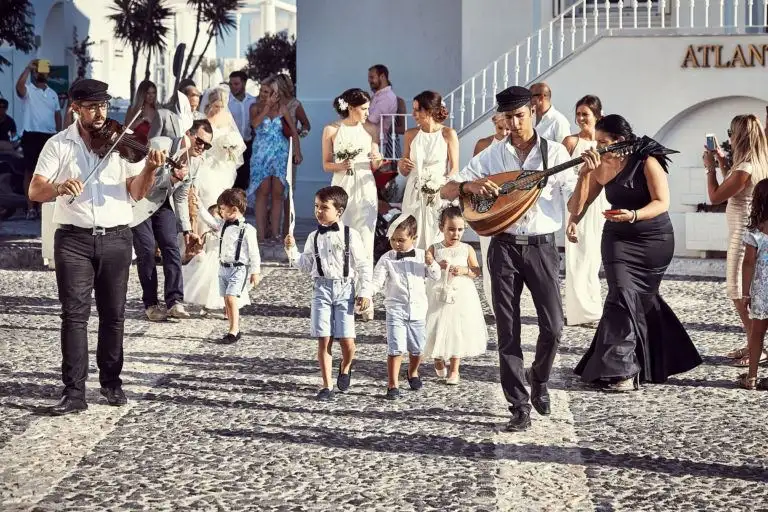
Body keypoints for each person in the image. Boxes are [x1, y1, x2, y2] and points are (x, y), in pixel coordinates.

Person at [27, 79, 166, 415]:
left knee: (114, 315)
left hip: (117, 237)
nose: (100, 112)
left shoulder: (122, 140)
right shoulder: (58, 145)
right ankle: (74, 392)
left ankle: (111, 382)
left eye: (103, 105)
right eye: (91, 107)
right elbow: (35, 190)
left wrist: (149, 169)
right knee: (74, 316)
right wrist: (59, 187)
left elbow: (137, 192)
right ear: (76, 108)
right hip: (73, 241)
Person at [440, 86, 574, 432]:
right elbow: (447, 189)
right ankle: (518, 405)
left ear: (533, 113)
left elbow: (575, 202)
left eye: (520, 116)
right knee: (507, 328)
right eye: (508, 117)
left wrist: (590, 177)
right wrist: (470, 186)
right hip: (504, 247)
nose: (514, 124)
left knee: (554, 326)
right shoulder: (492, 155)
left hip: (542, 247)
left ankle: (539, 377)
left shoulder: (555, 153)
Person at [569, 114, 702, 391]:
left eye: (603, 142)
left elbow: (662, 202)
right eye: (596, 142)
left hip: (653, 240)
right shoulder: (600, 165)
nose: (598, 147)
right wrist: (583, 178)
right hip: (618, 238)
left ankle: (654, 360)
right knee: (621, 294)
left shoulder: (646, 160)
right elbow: (577, 205)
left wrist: (633, 215)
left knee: (641, 299)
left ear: (619, 140)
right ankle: (622, 371)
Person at [284, 186, 373, 400]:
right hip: (321, 290)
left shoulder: (351, 235)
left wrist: (365, 291)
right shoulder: (313, 236)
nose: (318, 211)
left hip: (345, 289)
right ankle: (327, 385)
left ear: (339, 211)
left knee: (347, 342)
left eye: (324, 207)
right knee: (324, 339)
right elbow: (306, 265)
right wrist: (292, 250)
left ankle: (345, 366)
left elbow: (363, 266)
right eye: (316, 206)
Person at [130, 119, 214, 322]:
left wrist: (186, 230)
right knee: (146, 251)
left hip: (162, 203)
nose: (202, 148)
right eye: (200, 141)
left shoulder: (195, 162)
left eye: (207, 145)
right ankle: (151, 304)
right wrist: (171, 179)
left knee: (171, 246)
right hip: (139, 203)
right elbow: (140, 181)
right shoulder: (160, 145)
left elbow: (181, 197)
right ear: (188, 134)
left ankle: (175, 301)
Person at [703, 114, 768, 367]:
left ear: (739, 136)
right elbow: (734, 187)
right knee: (744, 293)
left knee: (738, 292)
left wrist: (710, 168)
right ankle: (753, 342)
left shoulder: (745, 168)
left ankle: (758, 348)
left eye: (731, 132)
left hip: (742, 236)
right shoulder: (757, 163)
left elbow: (716, 196)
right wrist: (722, 162)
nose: (729, 137)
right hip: (748, 233)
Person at [372, 215, 441, 399]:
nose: (396, 244)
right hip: (395, 310)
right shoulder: (387, 258)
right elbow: (376, 281)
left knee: (418, 349)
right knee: (395, 348)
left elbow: (436, 276)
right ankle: (392, 384)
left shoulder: (421, 256)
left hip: (418, 310)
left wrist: (431, 263)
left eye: (401, 240)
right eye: (393, 239)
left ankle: (412, 371)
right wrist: (366, 294)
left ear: (413, 238)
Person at [425, 207, 487, 385]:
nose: (456, 234)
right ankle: (437, 358)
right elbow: (426, 268)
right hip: (438, 294)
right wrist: (437, 265)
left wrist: (464, 270)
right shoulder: (434, 248)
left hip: (461, 295)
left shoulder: (467, 249)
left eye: (460, 229)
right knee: (435, 326)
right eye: (451, 229)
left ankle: (454, 370)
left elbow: (476, 271)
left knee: (457, 330)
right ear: (441, 228)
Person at [322, 88, 383, 260]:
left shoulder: (371, 129)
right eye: (364, 109)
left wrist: (378, 158)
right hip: (342, 184)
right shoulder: (331, 130)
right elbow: (326, 164)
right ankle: (340, 270)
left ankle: (364, 274)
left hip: (365, 183)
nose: (368, 113)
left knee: (365, 231)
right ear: (350, 108)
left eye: (368, 108)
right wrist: (340, 165)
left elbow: (375, 164)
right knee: (341, 229)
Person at [563, 95, 607, 327]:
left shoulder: (604, 143)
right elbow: (561, 176)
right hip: (577, 203)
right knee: (577, 258)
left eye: (585, 114)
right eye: (578, 114)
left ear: (597, 116)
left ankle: (593, 307)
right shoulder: (571, 142)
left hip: (601, 203)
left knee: (594, 257)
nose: (580, 118)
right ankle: (582, 312)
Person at [197, 188, 261, 344]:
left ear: (234, 209)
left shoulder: (248, 230)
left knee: (232, 298)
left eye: (223, 209)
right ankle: (233, 328)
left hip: (238, 269)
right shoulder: (222, 225)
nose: (220, 212)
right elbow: (209, 220)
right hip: (223, 268)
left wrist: (255, 272)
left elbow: (254, 252)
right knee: (226, 299)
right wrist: (198, 205)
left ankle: (234, 330)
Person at [398, 90, 459, 250]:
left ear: (430, 110)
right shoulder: (410, 135)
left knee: (435, 232)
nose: (413, 114)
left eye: (417, 110)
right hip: (414, 192)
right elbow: (404, 169)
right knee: (412, 231)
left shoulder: (448, 134)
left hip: (438, 192)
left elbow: (454, 168)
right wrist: (402, 165)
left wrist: (440, 186)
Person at [247, 76, 302, 245]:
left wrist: (297, 152)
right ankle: (261, 234)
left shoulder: (283, 108)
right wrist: (266, 108)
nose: (263, 94)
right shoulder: (255, 107)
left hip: (280, 154)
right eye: (262, 91)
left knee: (278, 193)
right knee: (262, 191)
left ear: (275, 94)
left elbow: (294, 131)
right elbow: (255, 124)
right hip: (261, 155)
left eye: (267, 92)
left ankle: (276, 233)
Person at [473, 114, 511, 318]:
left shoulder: (517, 147)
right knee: (490, 256)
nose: (504, 133)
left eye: (508, 129)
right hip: (488, 206)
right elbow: (474, 176)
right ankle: (495, 305)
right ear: (494, 125)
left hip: (511, 206)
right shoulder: (483, 145)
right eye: (500, 129)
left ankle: (510, 305)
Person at [16, 59, 62, 220]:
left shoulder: (53, 94)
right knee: (29, 172)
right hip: (31, 135)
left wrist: (58, 134)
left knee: (47, 173)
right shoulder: (28, 90)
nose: (41, 74)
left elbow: (57, 115)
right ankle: (30, 209)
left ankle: (43, 208)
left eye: (43, 71)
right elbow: (19, 87)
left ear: (47, 74)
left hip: (48, 137)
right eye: (38, 71)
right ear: (34, 74)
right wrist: (28, 68)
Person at [197, 87, 246, 215]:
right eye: (216, 106)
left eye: (222, 106)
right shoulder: (204, 117)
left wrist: (232, 146)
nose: (219, 109)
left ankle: (218, 223)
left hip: (223, 165)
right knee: (209, 195)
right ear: (210, 103)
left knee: (223, 197)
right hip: (208, 163)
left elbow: (234, 136)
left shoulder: (227, 117)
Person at [740, 179, 768, 390]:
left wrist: (745, 293)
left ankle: (751, 377)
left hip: (762, 292)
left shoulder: (755, 232)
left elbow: (748, 263)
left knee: (757, 334)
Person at [275, 73, 311, 238]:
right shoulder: (271, 103)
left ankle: (286, 229)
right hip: (271, 148)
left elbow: (306, 125)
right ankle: (272, 227)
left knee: (288, 189)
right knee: (272, 189)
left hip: (288, 149)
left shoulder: (295, 104)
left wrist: (298, 134)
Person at [228, 71, 257, 191]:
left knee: (246, 180)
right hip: (231, 147)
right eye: (230, 84)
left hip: (249, 146)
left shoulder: (253, 101)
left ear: (244, 83)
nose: (233, 87)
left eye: (236, 84)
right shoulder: (226, 102)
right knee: (231, 180)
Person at [367, 64, 399, 158]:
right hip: (370, 142)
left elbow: (372, 120)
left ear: (382, 76)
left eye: (372, 77)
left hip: (376, 145)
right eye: (369, 78)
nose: (369, 81)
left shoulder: (387, 97)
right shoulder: (378, 95)